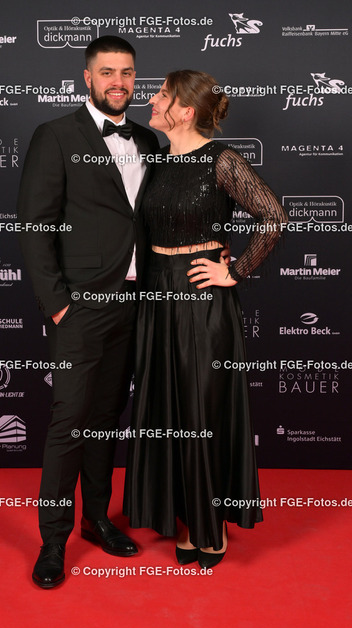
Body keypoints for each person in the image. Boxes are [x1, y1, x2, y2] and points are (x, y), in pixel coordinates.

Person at [123, 70, 288, 568]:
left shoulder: (222, 160)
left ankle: (208, 522)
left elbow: (274, 217)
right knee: (167, 412)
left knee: (201, 412)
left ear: (186, 111)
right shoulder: (154, 159)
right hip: (157, 298)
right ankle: (183, 516)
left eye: (162, 95)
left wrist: (233, 271)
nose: (152, 101)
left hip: (201, 301)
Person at [17, 36, 160, 588]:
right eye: (107, 72)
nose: (118, 82)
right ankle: (53, 542)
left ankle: (97, 520)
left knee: (105, 419)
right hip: (79, 306)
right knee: (69, 422)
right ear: (87, 78)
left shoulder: (147, 139)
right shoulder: (55, 135)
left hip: (134, 303)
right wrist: (57, 306)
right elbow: (35, 226)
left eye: (127, 72)